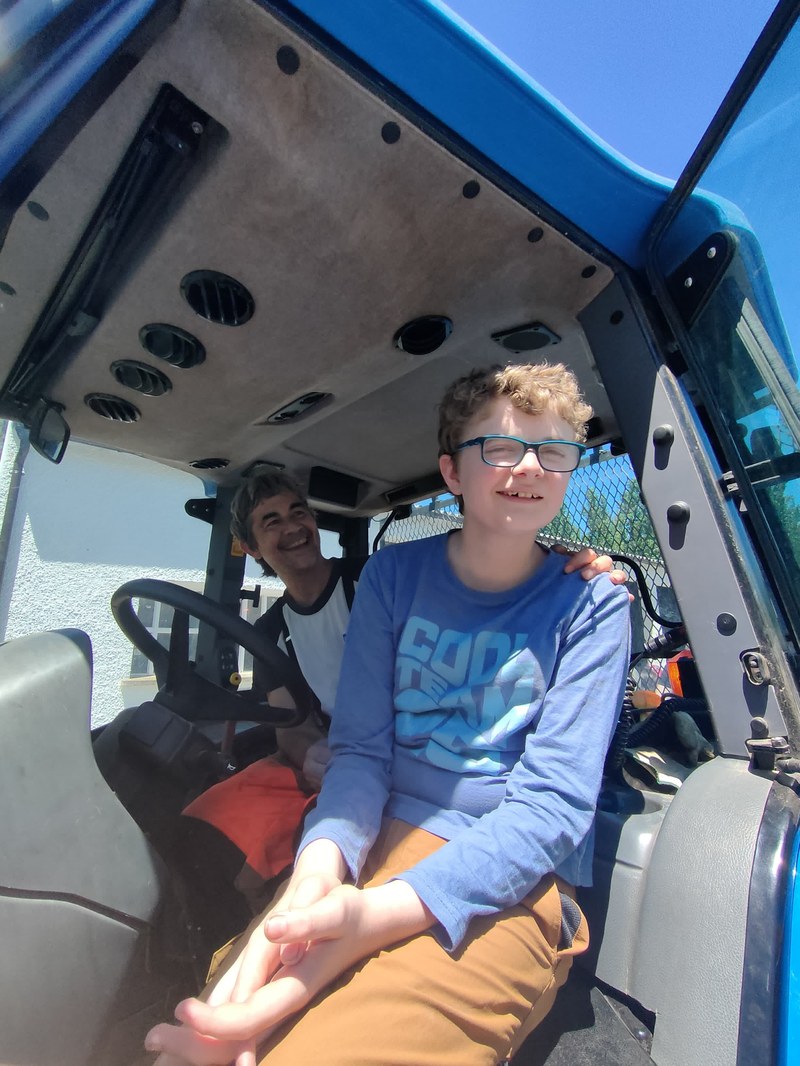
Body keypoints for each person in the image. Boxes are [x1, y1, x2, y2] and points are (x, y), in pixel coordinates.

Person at [147, 362, 632, 1066]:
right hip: (369, 836)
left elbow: (551, 810)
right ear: (451, 471)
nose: (529, 465)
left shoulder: (594, 605)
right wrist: (317, 872)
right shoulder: (393, 578)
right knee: (214, 1036)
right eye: (500, 446)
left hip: (504, 873)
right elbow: (363, 753)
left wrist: (369, 916)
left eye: (553, 451)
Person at [183, 470, 626, 911]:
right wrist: (312, 752)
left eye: (298, 512)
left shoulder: (379, 580)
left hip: (404, 760)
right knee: (207, 829)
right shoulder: (270, 632)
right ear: (252, 548)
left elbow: (481, 580)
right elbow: (291, 727)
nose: (292, 526)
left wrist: (555, 570)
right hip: (348, 762)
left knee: (277, 850)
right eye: (271, 521)